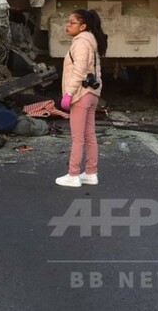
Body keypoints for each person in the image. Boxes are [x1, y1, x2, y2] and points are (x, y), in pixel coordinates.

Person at [56, 9, 107, 188]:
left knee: (77, 137)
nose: (67, 26)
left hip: (81, 94)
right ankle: (91, 173)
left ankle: (73, 174)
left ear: (83, 26)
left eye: (72, 22)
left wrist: (69, 93)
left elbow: (79, 70)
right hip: (92, 94)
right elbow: (95, 71)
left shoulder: (81, 43)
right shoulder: (91, 42)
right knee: (89, 135)